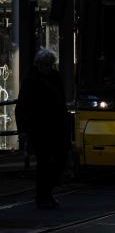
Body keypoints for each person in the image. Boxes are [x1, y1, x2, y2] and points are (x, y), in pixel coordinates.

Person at [15, 49, 70, 209]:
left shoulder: (54, 76)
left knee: (60, 159)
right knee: (44, 162)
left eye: (49, 65)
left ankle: (46, 192)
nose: (47, 68)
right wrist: (23, 129)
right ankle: (43, 195)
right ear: (38, 64)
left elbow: (60, 101)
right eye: (45, 65)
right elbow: (23, 105)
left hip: (55, 126)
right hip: (39, 128)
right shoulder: (31, 79)